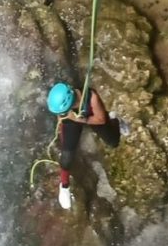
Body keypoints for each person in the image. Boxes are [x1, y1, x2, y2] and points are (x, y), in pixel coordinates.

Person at [46, 81, 129, 210]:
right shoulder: (64, 108)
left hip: (90, 115)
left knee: (113, 142)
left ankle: (115, 120)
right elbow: (61, 116)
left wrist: (80, 119)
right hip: (72, 118)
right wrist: (65, 122)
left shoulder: (91, 98)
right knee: (66, 157)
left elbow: (100, 119)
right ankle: (64, 186)